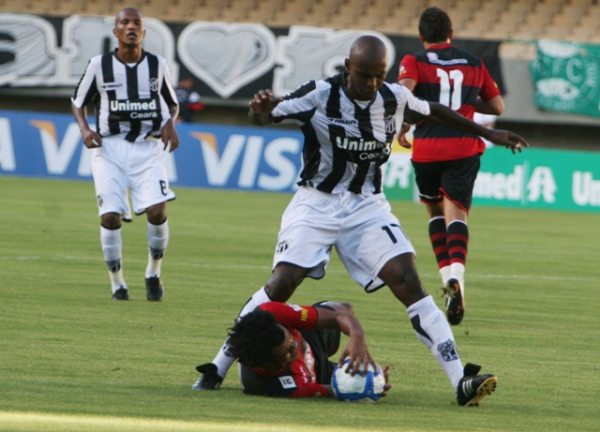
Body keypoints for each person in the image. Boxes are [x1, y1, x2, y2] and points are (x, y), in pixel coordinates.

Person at [193, 35, 527, 406]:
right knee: (282, 283)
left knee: (408, 280)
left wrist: (488, 132)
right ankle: (217, 367)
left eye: (378, 75)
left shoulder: (395, 98)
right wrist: (259, 109)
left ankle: (460, 379)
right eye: (364, 75)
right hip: (316, 203)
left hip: (367, 207)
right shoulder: (319, 94)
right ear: (348, 67)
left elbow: (434, 111)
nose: (371, 84)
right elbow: (267, 116)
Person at [397, 6, 513, 325]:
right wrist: (465, 99)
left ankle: (446, 276)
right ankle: (458, 279)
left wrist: (404, 127)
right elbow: (496, 105)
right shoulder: (474, 62)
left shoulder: (414, 61)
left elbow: (403, 95)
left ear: (422, 36)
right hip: (464, 147)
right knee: (457, 214)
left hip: (427, 150)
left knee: (434, 212)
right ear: (452, 34)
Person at [71, 7, 179, 301]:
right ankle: (117, 282)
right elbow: (78, 102)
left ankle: (153, 273)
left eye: (136, 23)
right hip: (109, 149)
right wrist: (84, 130)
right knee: (109, 217)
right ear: (116, 31)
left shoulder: (157, 65)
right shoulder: (99, 65)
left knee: (158, 212)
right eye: (124, 23)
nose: (131, 27)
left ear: (143, 32)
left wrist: (171, 123)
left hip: (147, 147)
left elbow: (172, 103)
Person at [227, 300, 390, 398]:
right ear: (267, 365)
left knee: (341, 307)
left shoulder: (272, 313)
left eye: (289, 338)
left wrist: (357, 335)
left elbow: (342, 316)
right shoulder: (269, 386)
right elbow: (335, 389)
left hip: (312, 338)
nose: (294, 345)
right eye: (288, 352)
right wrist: (368, 383)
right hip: (320, 374)